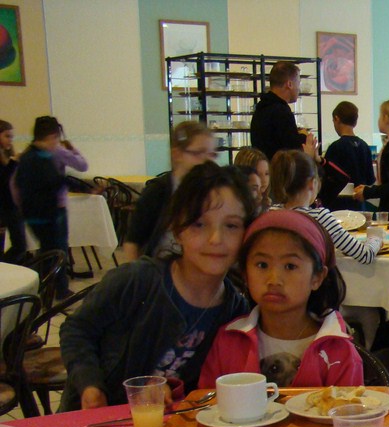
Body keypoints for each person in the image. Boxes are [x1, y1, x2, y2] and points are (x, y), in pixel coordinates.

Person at [59, 163, 254, 410]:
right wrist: (90, 384)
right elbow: (76, 330)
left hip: (165, 426)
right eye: (199, 224)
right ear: (177, 229)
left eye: (231, 226)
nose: (216, 239)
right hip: (96, 417)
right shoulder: (138, 280)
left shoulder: (235, 312)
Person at [199, 208, 362, 388]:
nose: (274, 280)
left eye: (290, 266)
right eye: (262, 265)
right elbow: (207, 400)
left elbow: (350, 404)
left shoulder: (338, 350)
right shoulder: (229, 341)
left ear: (317, 277)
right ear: (245, 273)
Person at [13, 115, 88, 297]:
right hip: (47, 213)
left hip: (36, 213)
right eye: (55, 138)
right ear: (51, 136)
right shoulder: (38, 158)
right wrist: (79, 186)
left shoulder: (28, 156)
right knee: (56, 251)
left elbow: (15, 185)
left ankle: (51, 288)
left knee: (49, 251)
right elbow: (57, 179)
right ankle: (58, 289)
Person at [125, 122, 218, 261]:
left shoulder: (215, 190)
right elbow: (133, 241)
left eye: (212, 154)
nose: (207, 160)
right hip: (162, 265)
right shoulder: (158, 191)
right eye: (198, 153)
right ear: (177, 154)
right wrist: (135, 272)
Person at [270, 149, 380, 265]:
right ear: (312, 183)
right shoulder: (320, 217)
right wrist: (375, 240)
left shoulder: (270, 213)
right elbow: (365, 255)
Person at [250, 61, 318, 161]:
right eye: (298, 83)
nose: (299, 89)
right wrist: (304, 136)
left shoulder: (261, 108)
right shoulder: (281, 112)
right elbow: (292, 151)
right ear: (289, 84)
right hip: (279, 169)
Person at [321, 101, 375, 211]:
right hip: (360, 202)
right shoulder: (365, 146)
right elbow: (370, 179)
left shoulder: (335, 147)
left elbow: (327, 178)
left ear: (336, 119)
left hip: (339, 202)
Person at [0, 118, 27, 263]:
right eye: (7, 136)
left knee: (20, 245)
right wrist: (14, 162)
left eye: (11, 136)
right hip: (5, 207)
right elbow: (3, 181)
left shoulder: (7, 156)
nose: (10, 140)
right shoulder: (9, 161)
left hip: (13, 206)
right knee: (19, 246)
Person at [233, 146, 271, 214]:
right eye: (258, 174)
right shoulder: (236, 209)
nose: (264, 180)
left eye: (267, 173)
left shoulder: (267, 204)